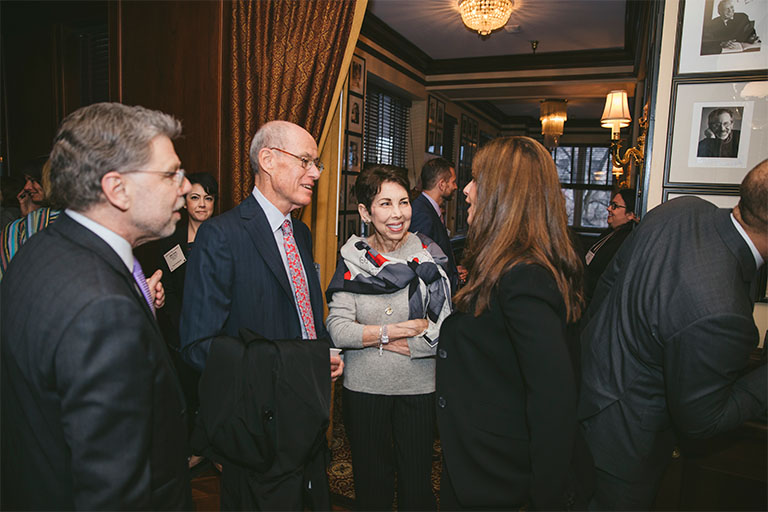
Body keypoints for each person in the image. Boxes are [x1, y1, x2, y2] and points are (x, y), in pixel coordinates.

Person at [0, 102, 193, 509]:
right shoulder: (103, 309)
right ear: (116, 189)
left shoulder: (41, 247)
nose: (185, 186)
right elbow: (112, 490)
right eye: (170, 174)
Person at [579, 160, 768, 510]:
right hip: (626, 445)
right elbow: (702, 421)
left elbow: (609, 284)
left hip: (589, 395)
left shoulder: (681, 208)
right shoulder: (722, 311)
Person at [179, 120, 343, 510]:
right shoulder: (221, 236)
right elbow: (199, 346)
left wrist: (321, 352)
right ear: (268, 160)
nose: (316, 173)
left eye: (316, 163)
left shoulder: (300, 234)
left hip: (308, 419)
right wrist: (292, 366)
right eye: (306, 161)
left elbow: (303, 314)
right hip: (257, 431)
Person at [436, 136, 593, 510]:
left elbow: (553, 402)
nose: (466, 191)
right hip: (479, 466)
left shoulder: (524, 277)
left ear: (504, 195)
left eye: (477, 181)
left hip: (499, 479)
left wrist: (544, 501)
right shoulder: (509, 267)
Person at [326, 165, 452, 511]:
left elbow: (443, 329)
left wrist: (370, 336)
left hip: (419, 388)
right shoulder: (353, 258)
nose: (397, 214)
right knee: (372, 485)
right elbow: (338, 328)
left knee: (417, 485)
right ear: (365, 212)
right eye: (385, 204)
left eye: (403, 202)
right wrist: (396, 332)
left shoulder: (430, 254)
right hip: (364, 389)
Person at [153, 171, 218, 467]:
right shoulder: (171, 240)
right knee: (187, 392)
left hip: (216, 329)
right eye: (195, 197)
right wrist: (181, 324)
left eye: (208, 198)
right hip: (180, 330)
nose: (202, 204)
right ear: (185, 202)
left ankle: (215, 449)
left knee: (215, 391)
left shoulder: (224, 236)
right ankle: (195, 447)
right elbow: (167, 287)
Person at [409, 157, 467, 293]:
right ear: (442, 185)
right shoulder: (422, 214)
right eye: (453, 182)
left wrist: (452, 271)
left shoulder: (428, 209)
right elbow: (422, 266)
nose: (456, 187)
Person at [584, 189, 638, 302]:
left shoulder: (626, 239)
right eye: (610, 205)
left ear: (630, 215)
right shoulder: (611, 232)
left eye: (615, 206)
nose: (608, 208)